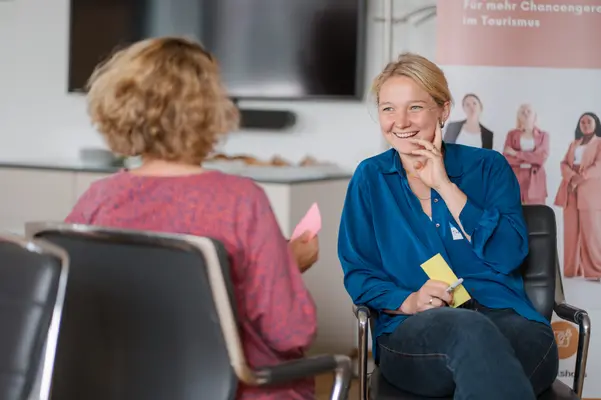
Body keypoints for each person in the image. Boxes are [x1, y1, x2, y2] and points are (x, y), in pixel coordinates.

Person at [65, 37, 319, 400]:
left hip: (119, 384)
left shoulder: (97, 200)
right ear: (210, 110)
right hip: (226, 387)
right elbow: (291, 332)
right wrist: (289, 265)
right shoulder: (240, 201)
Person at [338, 52, 558, 399]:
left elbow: (507, 255)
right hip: (413, 330)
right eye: (388, 108)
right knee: (468, 332)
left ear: (443, 110)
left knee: (490, 356)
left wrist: (444, 185)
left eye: (415, 107)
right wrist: (409, 301)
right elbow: (359, 274)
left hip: (506, 319)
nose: (400, 121)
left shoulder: (488, 167)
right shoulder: (370, 178)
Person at [554, 112, 601, 281]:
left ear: (596, 124)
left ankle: (596, 270)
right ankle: (571, 269)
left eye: (589, 121)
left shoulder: (599, 143)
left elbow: (599, 165)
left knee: (591, 232)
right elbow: (563, 164)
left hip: (590, 192)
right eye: (582, 122)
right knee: (570, 232)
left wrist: (581, 177)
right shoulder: (574, 143)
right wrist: (572, 178)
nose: (585, 124)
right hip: (570, 191)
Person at [503, 104, 549, 205]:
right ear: (518, 116)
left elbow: (541, 158)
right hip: (515, 177)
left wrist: (516, 153)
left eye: (529, 111)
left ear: (535, 115)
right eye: (522, 112)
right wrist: (532, 157)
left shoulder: (543, 136)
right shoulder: (511, 134)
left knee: (535, 215)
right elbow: (507, 159)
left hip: (536, 179)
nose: (526, 114)